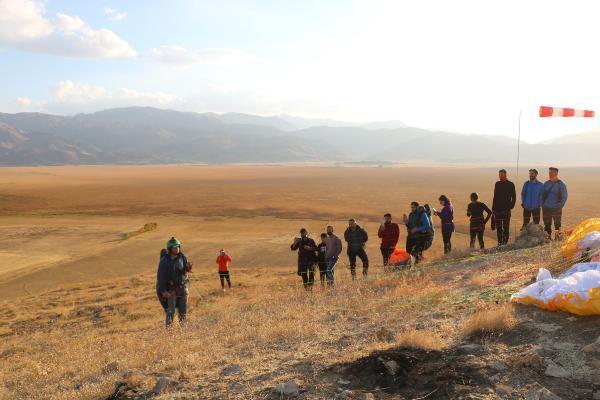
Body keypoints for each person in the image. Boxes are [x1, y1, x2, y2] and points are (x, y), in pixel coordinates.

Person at [156, 237, 193, 327]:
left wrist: (188, 268)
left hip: (183, 288)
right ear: (170, 248)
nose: (177, 248)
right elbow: (160, 278)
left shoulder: (183, 257)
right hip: (171, 290)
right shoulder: (164, 261)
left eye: (178, 246)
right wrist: (164, 291)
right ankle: (169, 331)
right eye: (174, 247)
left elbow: (184, 270)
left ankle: (183, 329)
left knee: (183, 310)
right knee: (171, 311)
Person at [542, 167, 568, 240]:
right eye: (549, 173)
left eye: (552, 173)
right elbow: (541, 194)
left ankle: (557, 238)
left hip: (556, 208)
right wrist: (542, 204)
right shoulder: (546, 183)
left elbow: (564, 197)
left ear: (556, 173)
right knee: (547, 224)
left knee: (557, 224)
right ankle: (548, 238)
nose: (550, 174)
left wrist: (559, 206)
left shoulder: (561, 184)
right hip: (546, 208)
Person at [492, 169, 516, 245]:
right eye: (499, 175)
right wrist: (493, 208)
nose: (500, 176)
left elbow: (514, 197)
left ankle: (505, 243)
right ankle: (499, 242)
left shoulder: (510, 184)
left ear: (505, 175)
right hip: (497, 210)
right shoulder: (497, 184)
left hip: (506, 210)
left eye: (501, 174)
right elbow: (495, 197)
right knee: (499, 228)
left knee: (506, 227)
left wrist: (510, 206)